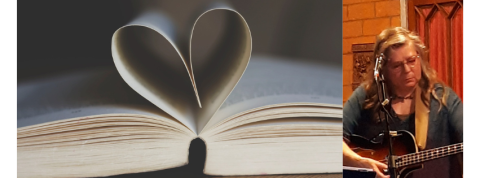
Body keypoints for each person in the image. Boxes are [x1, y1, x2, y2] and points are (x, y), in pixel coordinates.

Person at [342, 27, 463, 178]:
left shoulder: (443, 98)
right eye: (397, 66)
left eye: (411, 61)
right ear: (384, 70)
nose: (407, 70)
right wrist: (359, 162)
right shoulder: (366, 96)